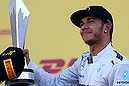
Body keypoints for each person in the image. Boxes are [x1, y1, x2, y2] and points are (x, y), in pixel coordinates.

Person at [24, 5, 129, 86]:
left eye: (90, 21)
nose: (83, 27)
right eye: (82, 24)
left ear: (107, 27)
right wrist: (28, 63)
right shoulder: (83, 60)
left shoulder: (119, 65)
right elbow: (55, 83)